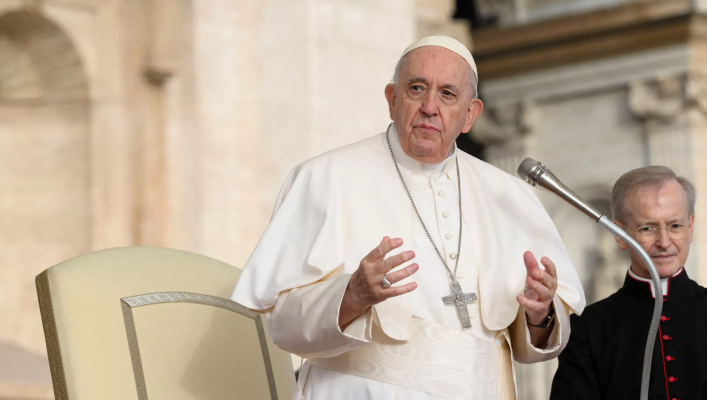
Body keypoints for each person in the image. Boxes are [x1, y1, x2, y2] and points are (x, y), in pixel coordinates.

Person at [231, 35, 585, 399]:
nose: (430, 106)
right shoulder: (325, 178)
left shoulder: (509, 195)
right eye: (417, 88)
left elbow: (538, 344)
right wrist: (351, 295)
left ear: (470, 114)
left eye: (448, 94)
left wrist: (540, 313)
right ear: (392, 99)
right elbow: (281, 323)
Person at [551, 166, 707, 399]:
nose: (664, 242)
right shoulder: (587, 330)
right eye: (648, 228)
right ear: (620, 236)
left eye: (675, 226)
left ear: (691, 228)